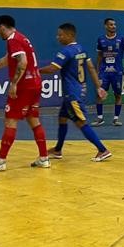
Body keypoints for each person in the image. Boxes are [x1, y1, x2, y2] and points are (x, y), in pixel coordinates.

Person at [0, 15, 49, 171]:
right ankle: (44, 158)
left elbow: (23, 62)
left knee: (10, 120)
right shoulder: (21, 38)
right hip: (35, 84)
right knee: (33, 120)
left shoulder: (13, 40)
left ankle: (0, 160)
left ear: (2, 27)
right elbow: (8, 59)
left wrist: (14, 84)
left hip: (24, 87)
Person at [39, 23, 111, 162]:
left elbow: (53, 68)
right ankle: (58, 150)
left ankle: (102, 150)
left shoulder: (66, 51)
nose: (58, 37)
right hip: (78, 91)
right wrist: (98, 87)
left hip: (72, 94)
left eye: (60, 35)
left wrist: (36, 71)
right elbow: (91, 68)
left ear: (69, 35)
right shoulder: (81, 49)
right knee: (62, 118)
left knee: (81, 123)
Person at [94, 18, 124, 126]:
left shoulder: (121, 39)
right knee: (100, 94)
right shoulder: (101, 39)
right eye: (111, 25)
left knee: (118, 95)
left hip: (117, 72)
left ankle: (116, 119)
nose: (113, 26)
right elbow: (99, 56)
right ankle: (100, 118)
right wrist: (97, 70)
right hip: (104, 72)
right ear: (106, 26)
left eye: (114, 24)